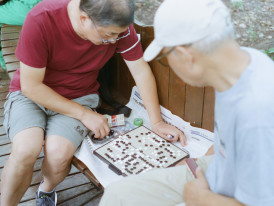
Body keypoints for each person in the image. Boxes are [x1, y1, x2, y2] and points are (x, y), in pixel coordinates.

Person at [0, 0, 186, 205]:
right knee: (26, 149)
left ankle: (45, 190)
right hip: (32, 95)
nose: (115, 39)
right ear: (84, 19)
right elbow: (31, 86)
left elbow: (141, 71)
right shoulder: (41, 18)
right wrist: (84, 114)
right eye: (108, 35)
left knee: (58, 155)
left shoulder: (118, 25)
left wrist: (157, 122)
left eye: (117, 34)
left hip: (79, 96)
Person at [99, 0, 274, 205]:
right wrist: (196, 164)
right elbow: (227, 140)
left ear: (185, 55)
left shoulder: (258, 115)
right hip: (220, 168)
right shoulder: (243, 63)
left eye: (164, 58)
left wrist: (201, 199)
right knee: (118, 195)